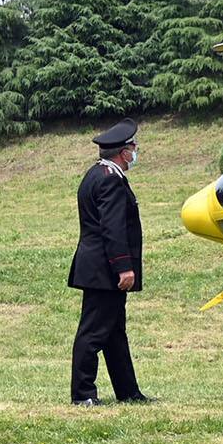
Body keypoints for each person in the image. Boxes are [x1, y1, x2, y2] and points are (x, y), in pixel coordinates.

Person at [68, 120, 150, 406]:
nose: (135, 152)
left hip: (98, 267)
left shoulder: (96, 174)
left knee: (114, 333)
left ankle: (128, 391)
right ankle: (83, 395)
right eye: (133, 148)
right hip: (104, 269)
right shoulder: (109, 180)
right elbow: (112, 228)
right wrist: (123, 267)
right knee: (93, 333)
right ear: (122, 152)